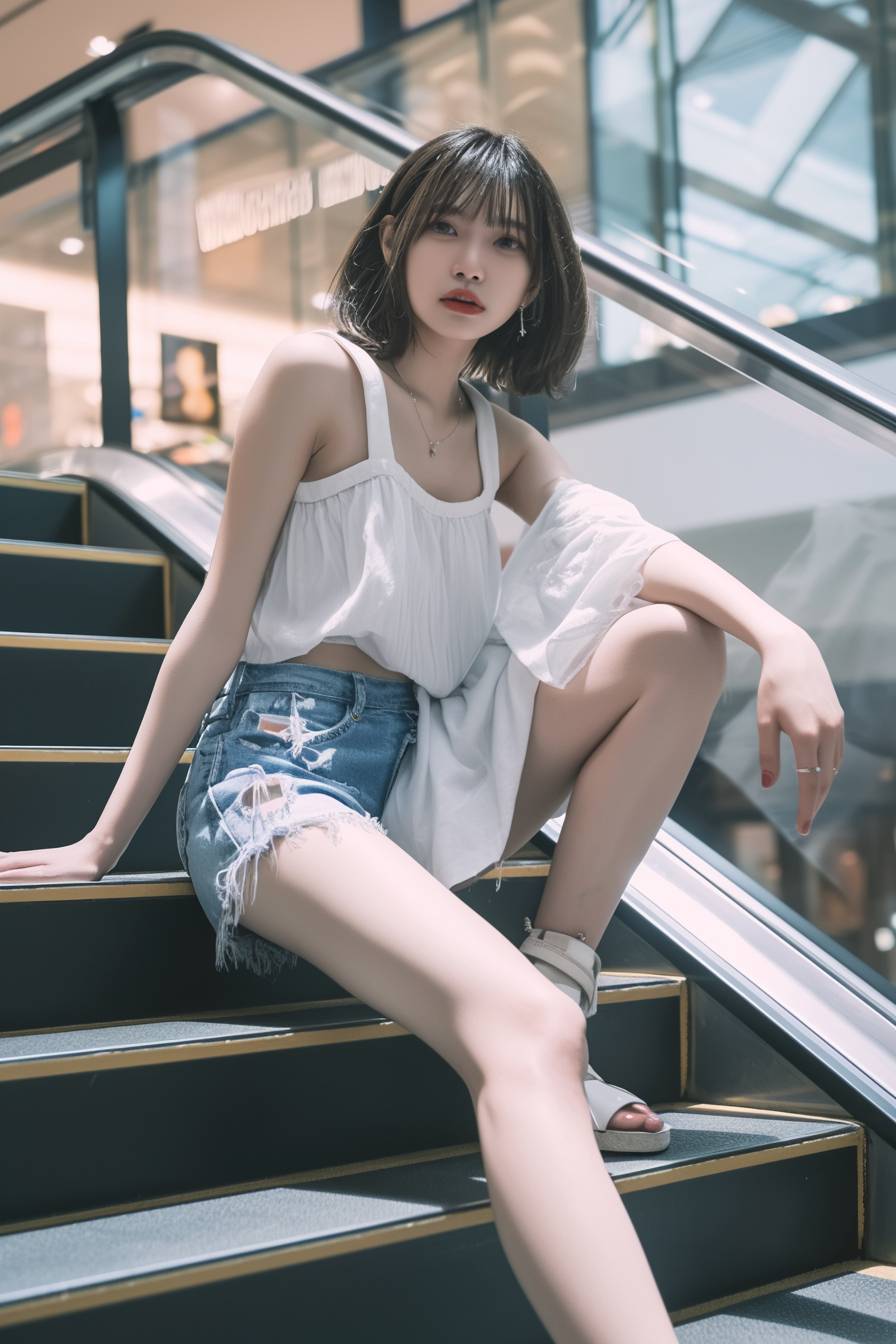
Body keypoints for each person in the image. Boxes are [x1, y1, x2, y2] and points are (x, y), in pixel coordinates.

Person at [0, 124, 794, 1342]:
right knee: (520, 1042)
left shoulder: (503, 441)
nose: (470, 260)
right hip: (276, 769)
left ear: (536, 282)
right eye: (445, 225)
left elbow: (633, 550)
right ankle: (545, 1034)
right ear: (391, 235)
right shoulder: (316, 378)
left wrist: (776, 636)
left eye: (506, 243)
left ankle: (556, 964)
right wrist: (104, 843)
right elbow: (216, 615)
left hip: (422, 754)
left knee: (677, 637)